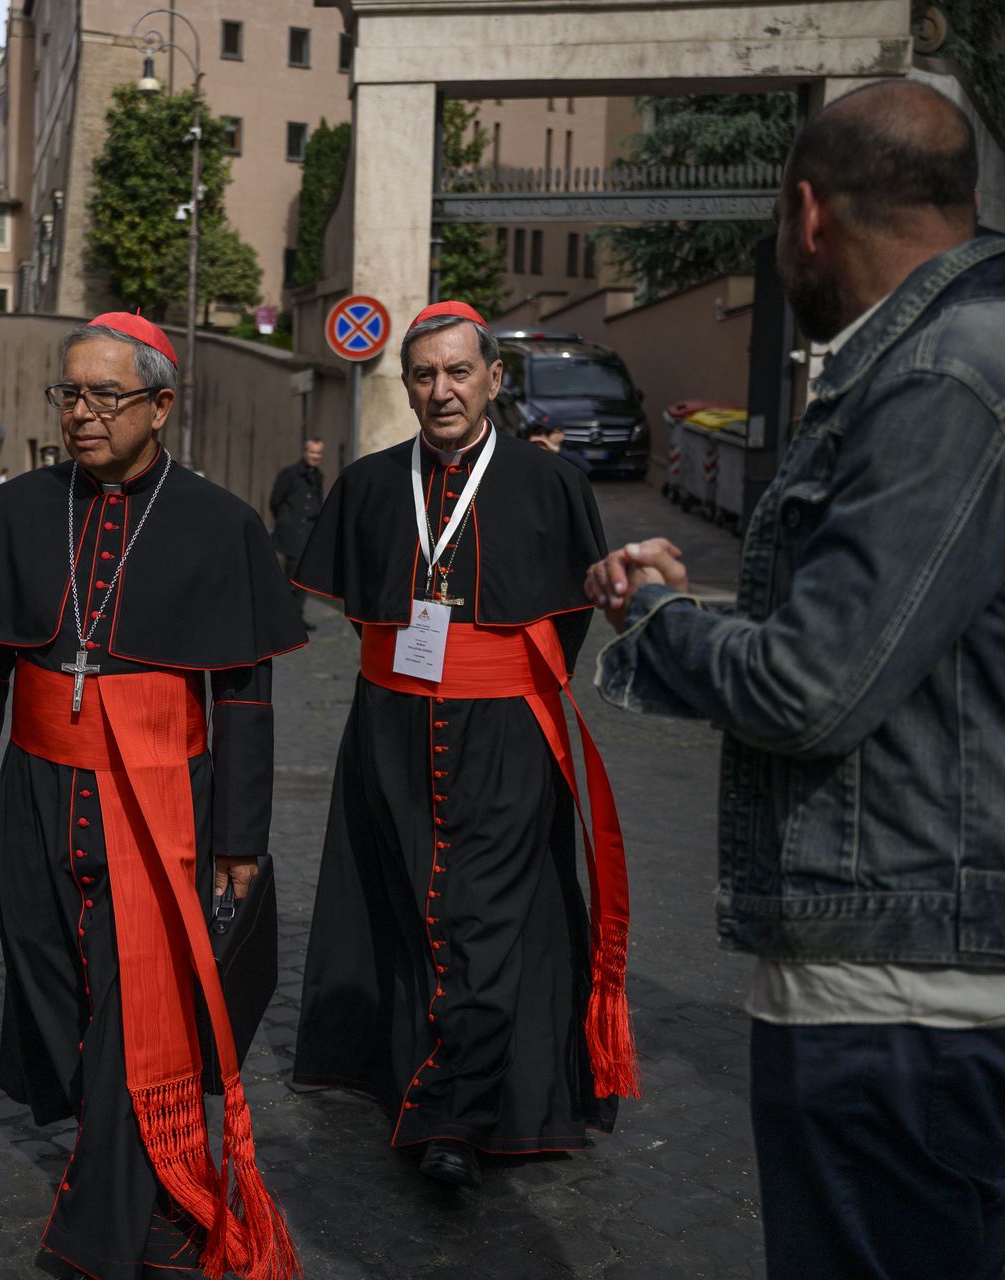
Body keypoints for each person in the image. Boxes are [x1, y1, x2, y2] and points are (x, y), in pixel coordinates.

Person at [586, 82, 1005, 1280]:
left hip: (901, 995)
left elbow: (812, 687)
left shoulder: (939, 378)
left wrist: (660, 615)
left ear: (808, 214)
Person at [0, 313, 304, 1280]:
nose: (82, 414)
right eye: (70, 394)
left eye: (106, 395)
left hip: (161, 796)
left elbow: (244, 695)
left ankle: (119, 1223)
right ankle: (135, 1177)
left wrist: (240, 839)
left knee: (141, 1006)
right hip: (37, 787)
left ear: (161, 405)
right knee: (51, 982)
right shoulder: (21, 508)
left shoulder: (221, 523)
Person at [290, 300, 634, 1190]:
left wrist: (497, 678)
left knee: (487, 913)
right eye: (424, 375)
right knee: (408, 902)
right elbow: (353, 606)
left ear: (493, 379)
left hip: (508, 730)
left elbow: (568, 619)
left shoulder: (549, 482)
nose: (441, 390)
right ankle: (408, 1071)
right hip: (390, 731)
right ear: (406, 387)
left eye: (458, 372)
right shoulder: (371, 484)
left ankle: (457, 1116)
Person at [267, 437, 325, 630]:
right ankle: (285, 621)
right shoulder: (290, 474)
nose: (315, 456)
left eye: (319, 453)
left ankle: (296, 619)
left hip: (307, 536)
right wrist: (286, 522)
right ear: (304, 452)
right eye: (312, 452)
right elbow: (276, 501)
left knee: (302, 580)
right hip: (290, 536)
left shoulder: (318, 476)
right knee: (289, 580)